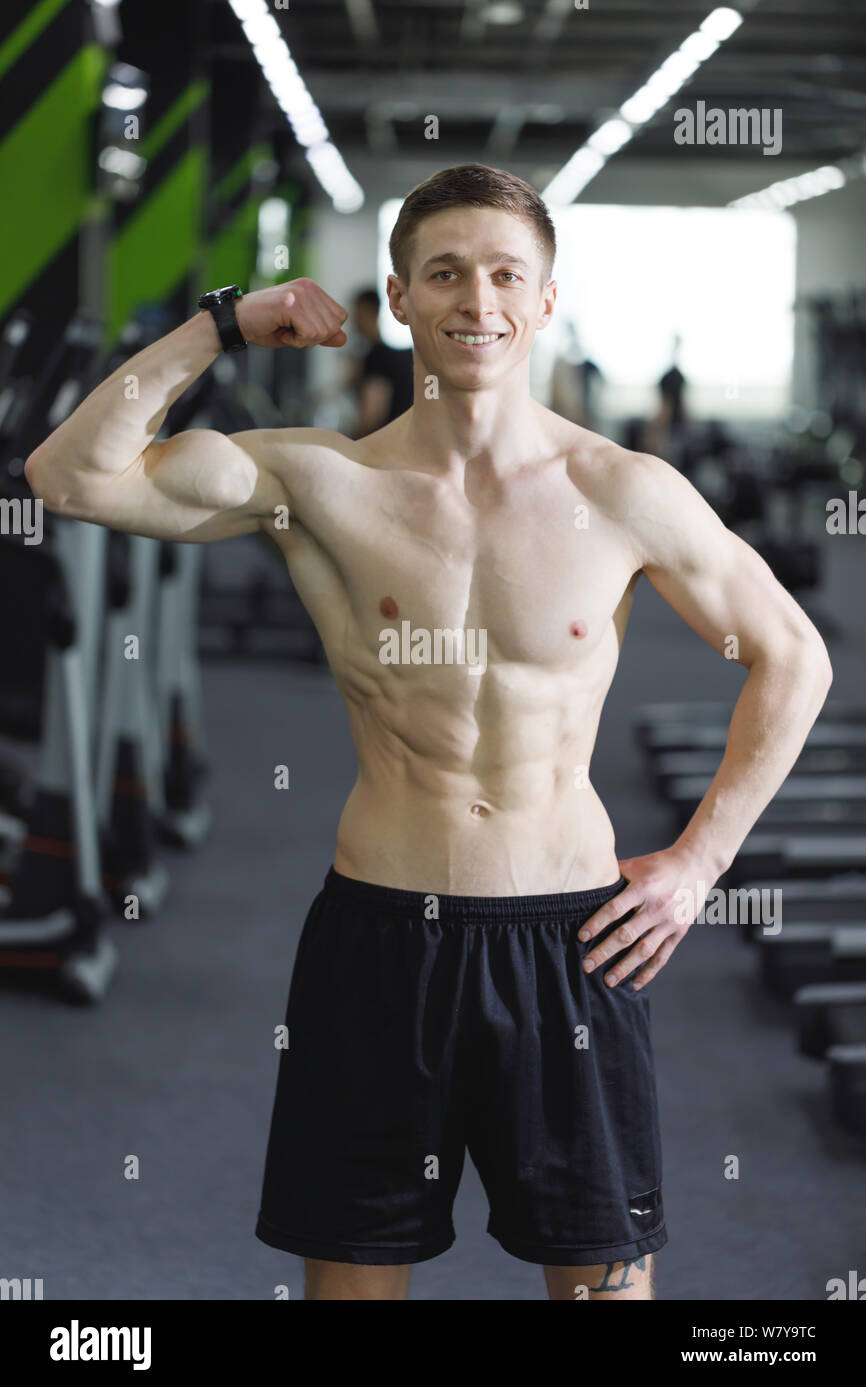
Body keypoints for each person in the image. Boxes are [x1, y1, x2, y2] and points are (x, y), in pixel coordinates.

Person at [24, 164, 832, 1302]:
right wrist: (225, 321)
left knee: (604, 1290)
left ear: (546, 301)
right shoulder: (317, 481)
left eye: (506, 274)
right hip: (382, 937)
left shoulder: (622, 489)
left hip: (572, 940)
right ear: (397, 297)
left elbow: (791, 654)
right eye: (444, 273)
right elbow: (67, 476)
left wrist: (698, 864)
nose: (477, 301)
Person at [348, 286, 413, 436]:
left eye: (355, 312)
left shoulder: (376, 356)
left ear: (366, 311)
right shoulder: (401, 356)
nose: (353, 319)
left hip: (383, 444)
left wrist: (350, 443)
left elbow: (372, 415)